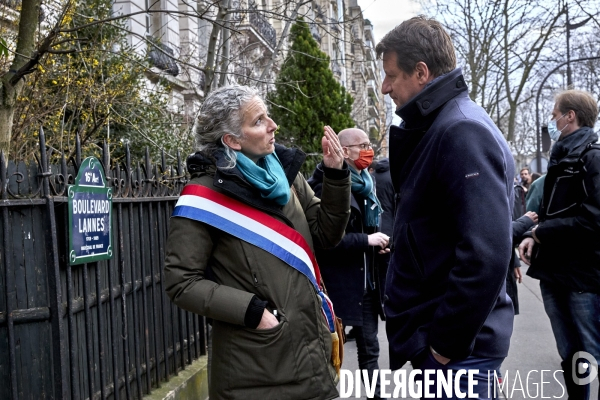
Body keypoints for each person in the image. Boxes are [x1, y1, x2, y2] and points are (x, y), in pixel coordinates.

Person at [164, 85, 352, 400]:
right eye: (259, 121)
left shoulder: (285, 175)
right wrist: (253, 312)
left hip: (311, 350)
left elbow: (326, 235)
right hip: (254, 369)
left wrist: (335, 176)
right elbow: (181, 282)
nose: (272, 125)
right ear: (232, 140)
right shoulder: (203, 197)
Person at [376, 16, 515, 399]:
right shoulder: (449, 124)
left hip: (457, 357)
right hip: (454, 353)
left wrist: (443, 346)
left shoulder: (460, 129)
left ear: (421, 72)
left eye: (391, 75)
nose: (385, 87)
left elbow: (485, 254)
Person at [519, 89, 600, 400]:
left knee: (592, 349)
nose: (552, 122)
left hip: (583, 275)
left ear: (570, 116)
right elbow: (547, 213)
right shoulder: (560, 160)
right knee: (570, 353)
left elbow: (594, 222)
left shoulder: (592, 158)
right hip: (555, 273)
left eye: (555, 116)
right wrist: (532, 234)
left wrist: (542, 233)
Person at [308, 128, 389, 400]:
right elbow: (327, 239)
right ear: (343, 151)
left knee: (370, 349)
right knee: (330, 353)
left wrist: (379, 243)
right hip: (337, 287)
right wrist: (367, 240)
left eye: (369, 143)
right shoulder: (323, 185)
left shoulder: (367, 183)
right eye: (361, 145)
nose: (368, 150)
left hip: (366, 285)